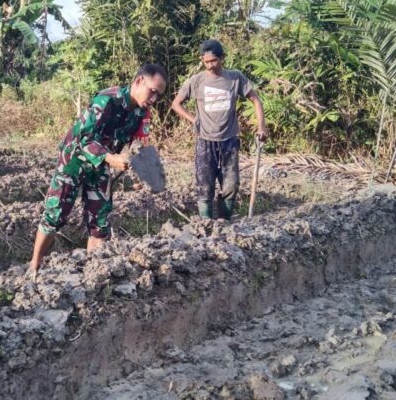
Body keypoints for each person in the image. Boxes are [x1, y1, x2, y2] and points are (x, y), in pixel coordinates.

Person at [28, 63, 168, 274]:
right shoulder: (107, 100)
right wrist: (111, 158)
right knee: (55, 216)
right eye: (152, 92)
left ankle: (94, 273)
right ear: (139, 81)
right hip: (74, 162)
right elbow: (84, 139)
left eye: (158, 96)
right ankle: (34, 265)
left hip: (101, 166)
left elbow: (139, 143)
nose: (154, 99)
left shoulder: (141, 112)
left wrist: (142, 168)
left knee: (100, 222)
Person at [170, 39, 269, 220]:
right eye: (206, 62)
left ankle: (225, 223)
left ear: (222, 58)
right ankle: (206, 225)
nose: (209, 65)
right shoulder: (196, 81)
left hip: (229, 141)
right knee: (205, 186)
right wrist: (194, 119)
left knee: (230, 186)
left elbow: (255, 99)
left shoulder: (235, 77)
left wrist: (261, 126)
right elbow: (176, 104)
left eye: (213, 61)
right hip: (205, 142)